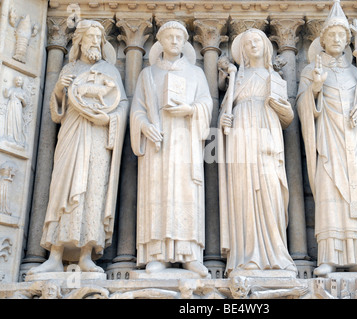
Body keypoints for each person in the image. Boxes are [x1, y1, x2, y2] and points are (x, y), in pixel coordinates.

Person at [28, 20, 128, 274]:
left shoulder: (110, 71)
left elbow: (121, 104)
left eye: (99, 38)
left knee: (93, 189)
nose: (95, 41)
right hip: (72, 134)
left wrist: (109, 119)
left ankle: (86, 255)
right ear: (79, 40)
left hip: (97, 136)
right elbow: (56, 114)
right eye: (91, 37)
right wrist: (60, 89)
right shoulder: (69, 68)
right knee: (63, 188)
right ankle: (54, 255)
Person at [296, 0, 357, 276]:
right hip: (330, 144)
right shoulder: (311, 71)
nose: (336, 39)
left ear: (347, 41)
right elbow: (303, 107)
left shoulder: (354, 72)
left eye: (341, 36)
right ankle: (329, 256)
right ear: (322, 39)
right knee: (331, 194)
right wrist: (316, 89)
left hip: (355, 143)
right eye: (331, 34)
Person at [130, 21, 212, 277]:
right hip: (158, 144)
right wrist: (143, 126)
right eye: (170, 37)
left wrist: (191, 110)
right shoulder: (147, 74)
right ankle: (157, 254)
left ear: (185, 43)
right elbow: (136, 110)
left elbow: (207, 104)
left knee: (186, 191)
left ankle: (189, 254)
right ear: (161, 42)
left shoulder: (196, 73)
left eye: (179, 37)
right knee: (158, 192)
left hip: (186, 141)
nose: (175, 41)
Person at [218, 28, 297, 277]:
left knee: (271, 187)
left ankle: (276, 254)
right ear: (242, 49)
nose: (253, 45)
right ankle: (247, 256)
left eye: (258, 41)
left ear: (265, 47)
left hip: (268, 132)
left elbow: (288, 116)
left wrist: (279, 107)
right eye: (249, 42)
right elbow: (225, 113)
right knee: (243, 191)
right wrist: (224, 121)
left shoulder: (274, 77)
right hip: (241, 135)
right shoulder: (237, 79)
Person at [3, 76, 28, 146]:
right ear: (15, 81)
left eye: (20, 80)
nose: (18, 81)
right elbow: (7, 95)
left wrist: (22, 99)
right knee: (10, 120)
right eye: (17, 80)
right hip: (11, 105)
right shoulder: (12, 89)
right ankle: (9, 136)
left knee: (17, 121)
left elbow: (25, 104)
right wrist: (5, 90)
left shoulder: (23, 92)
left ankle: (17, 138)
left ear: (22, 82)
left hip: (18, 107)